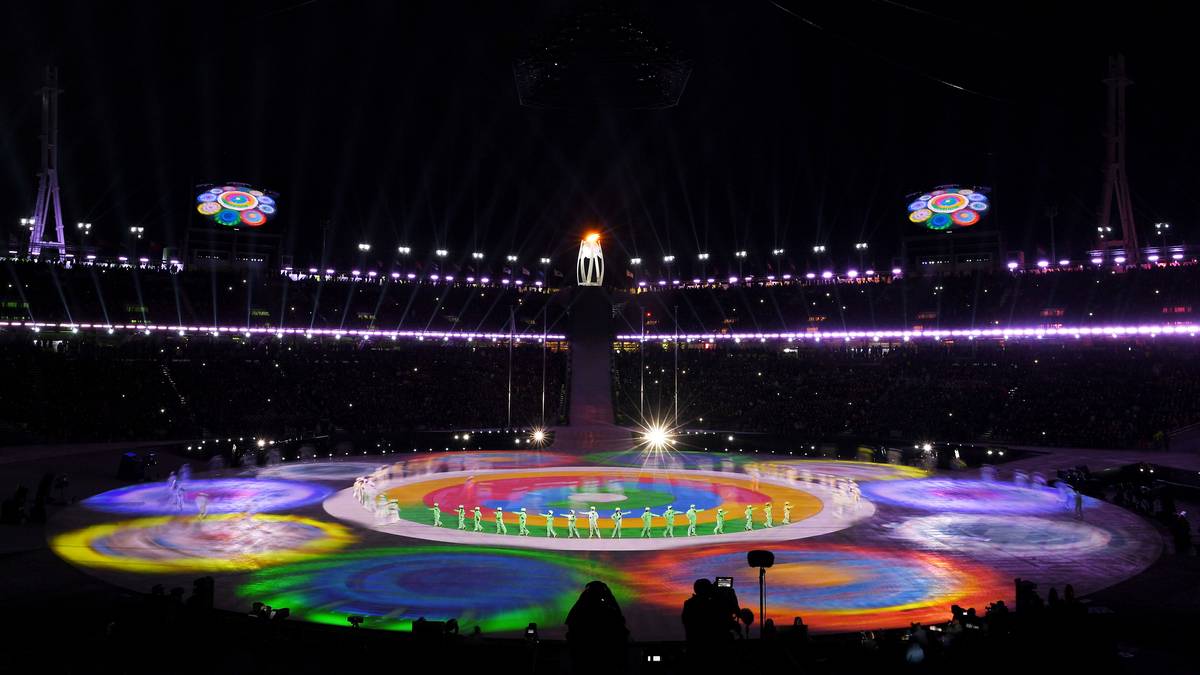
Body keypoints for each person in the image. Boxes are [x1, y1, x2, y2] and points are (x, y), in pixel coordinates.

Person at [565, 581, 629, 675]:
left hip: (582, 664)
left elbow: (570, 627)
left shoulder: (578, 613)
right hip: (607, 664)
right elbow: (621, 626)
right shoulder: (610, 613)